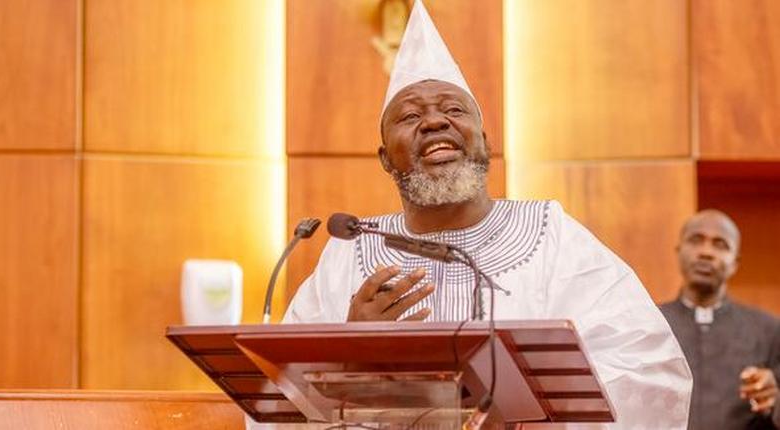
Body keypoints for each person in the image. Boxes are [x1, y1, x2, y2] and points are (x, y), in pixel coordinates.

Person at [283, 1, 692, 428]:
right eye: (409, 116)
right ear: (385, 159)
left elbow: (648, 371)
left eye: (454, 110)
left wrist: (524, 411)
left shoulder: (551, 236)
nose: (434, 122)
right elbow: (277, 397)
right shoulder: (351, 253)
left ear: (484, 139)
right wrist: (345, 356)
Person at [660, 210, 780, 429]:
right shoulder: (651, 324)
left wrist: (773, 398)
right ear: (678, 252)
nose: (706, 252)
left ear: (735, 262)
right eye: (696, 240)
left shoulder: (770, 331)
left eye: (720, 244)